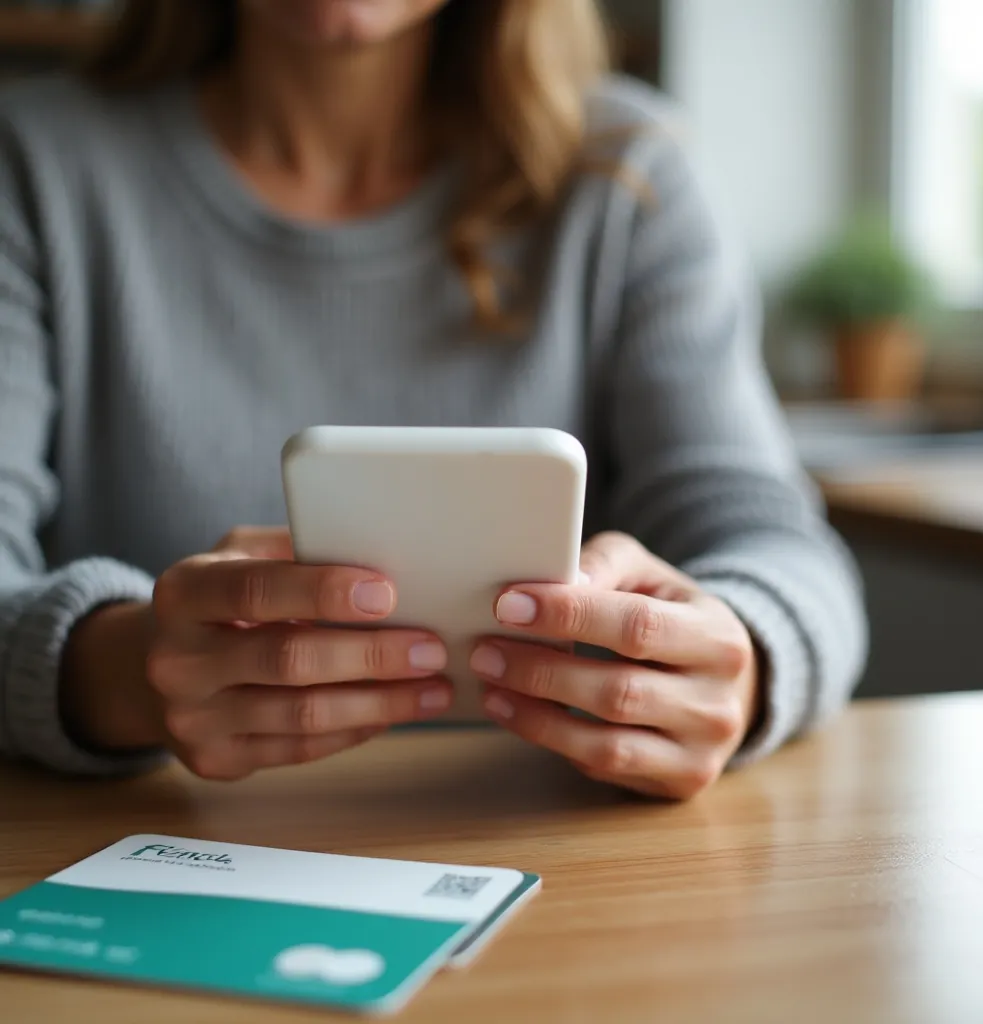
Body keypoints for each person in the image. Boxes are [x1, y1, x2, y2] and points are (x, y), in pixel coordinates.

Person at [0, 0, 866, 800]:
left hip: (555, 858)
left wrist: (740, 656)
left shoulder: (626, 174)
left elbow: (776, 546)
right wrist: (113, 672)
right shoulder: (31, 164)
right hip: (159, 845)